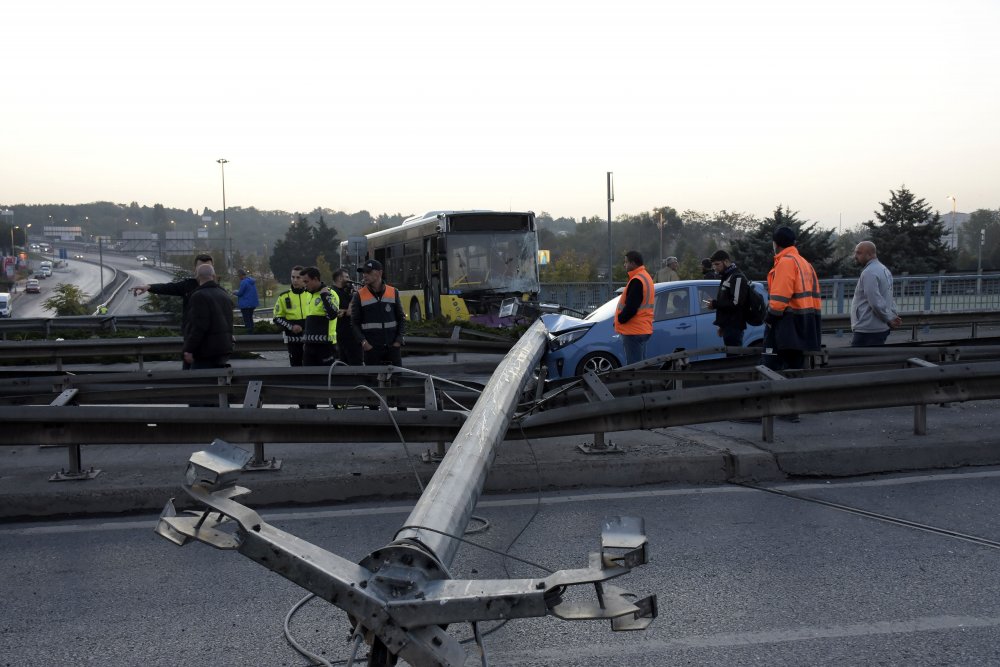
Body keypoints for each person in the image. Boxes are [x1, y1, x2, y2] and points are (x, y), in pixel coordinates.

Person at [765, 226, 822, 422]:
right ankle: (792, 410)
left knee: (770, 364)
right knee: (794, 367)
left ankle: (770, 410)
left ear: (775, 244)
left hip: (786, 323)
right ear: (794, 243)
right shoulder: (804, 263)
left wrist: (770, 319)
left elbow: (780, 298)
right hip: (806, 321)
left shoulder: (786, 263)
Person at [133, 253, 214, 369]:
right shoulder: (188, 285)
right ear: (194, 269)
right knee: (189, 372)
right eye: (201, 267)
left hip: (211, 339)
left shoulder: (217, 290)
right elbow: (169, 287)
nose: (204, 270)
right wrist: (149, 287)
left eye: (207, 267)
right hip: (191, 337)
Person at [350, 259, 405, 368]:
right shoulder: (359, 295)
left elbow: (401, 318)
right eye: (364, 272)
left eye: (369, 272)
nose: (365, 275)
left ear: (380, 273)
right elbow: (354, 323)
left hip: (392, 347)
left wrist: (398, 341)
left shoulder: (393, 292)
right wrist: (364, 343)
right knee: (372, 382)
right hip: (372, 349)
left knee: (397, 380)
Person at [182, 263, 234, 370]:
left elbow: (199, 326)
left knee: (197, 383)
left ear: (197, 276)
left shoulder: (199, 296)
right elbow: (229, 321)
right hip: (223, 349)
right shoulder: (223, 294)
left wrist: (189, 349)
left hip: (205, 351)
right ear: (213, 276)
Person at [851, 241, 902, 346]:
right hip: (879, 326)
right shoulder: (884, 269)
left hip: (868, 327)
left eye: (859, 253)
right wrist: (891, 316)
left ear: (870, 254)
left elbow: (875, 301)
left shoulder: (869, 272)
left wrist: (889, 318)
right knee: (873, 359)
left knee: (857, 360)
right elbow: (888, 296)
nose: (855, 256)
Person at [614, 250, 655, 366]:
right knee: (640, 366)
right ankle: (642, 384)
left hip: (633, 330)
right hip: (643, 327)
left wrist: (620, 319)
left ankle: (639, 384)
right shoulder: (646, 277)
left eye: (626, 262)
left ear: (633, 263)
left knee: (634, 369)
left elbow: (631, 307)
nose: (624, 265)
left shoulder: (637, 280)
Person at [705, 249, 749, 349]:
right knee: (730, 358)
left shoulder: (737, 277)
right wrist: (721, 325)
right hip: (728, 326)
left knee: (734, 360)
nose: (715, 268)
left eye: (717, 264)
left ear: (726, 262)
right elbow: (726, 301)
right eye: (714, 265)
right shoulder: (726, 276)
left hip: (734, 327)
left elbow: (736, 303)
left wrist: (715, 304)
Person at [299, 266, 339, 367]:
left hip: (326, 345)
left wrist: (325, 296)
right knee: (308, 377)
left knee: (326, 378)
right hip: (309, 345)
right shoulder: (308, 295)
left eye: (306, 281)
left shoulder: (330, 293)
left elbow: (332, 314)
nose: (304, 284)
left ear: (316, 279)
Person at [272, 265, 308, 366]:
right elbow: (277, 317)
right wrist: (291, 326)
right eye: (293, 277)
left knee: (311, 367)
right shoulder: (284, 296)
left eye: (298, 277)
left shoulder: (311, 294)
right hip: (293, 339)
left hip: (311, 338)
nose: (295, 280)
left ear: (304, 278)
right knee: (296, 366)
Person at [331, 268, 363, 365]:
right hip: (346, 335)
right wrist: (356, 295)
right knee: (354, 362)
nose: (349, 279)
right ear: (340, 278)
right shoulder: (333, 293)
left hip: (346, 334)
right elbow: (350, 311)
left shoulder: (343, 291)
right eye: (347, 277)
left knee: (345, 362)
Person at [233, 269, 259, 333]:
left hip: (245, 305)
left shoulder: (243, 282)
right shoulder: (251, 281)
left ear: (241, 275)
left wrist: (235, 292)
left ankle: (249, 335)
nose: (239, 278)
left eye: (238, 276)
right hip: (252, 304)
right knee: (250, 319)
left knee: (247, 320)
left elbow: (240, 293)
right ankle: (252, 333)